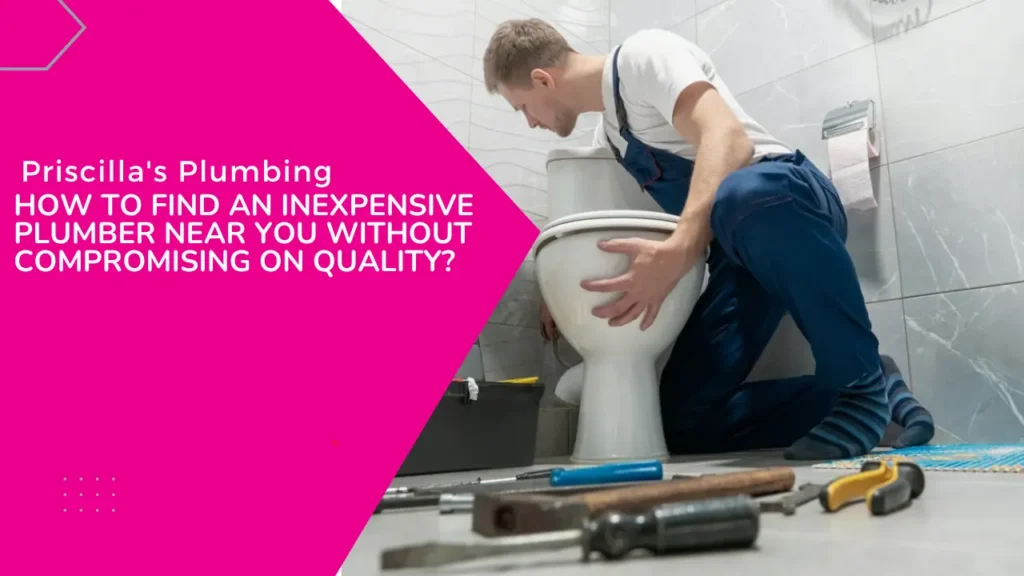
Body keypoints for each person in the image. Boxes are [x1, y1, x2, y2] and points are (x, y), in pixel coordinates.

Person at [483, 19, 934, 460]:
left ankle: (858, 385)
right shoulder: (612, 137)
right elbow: (600, 215)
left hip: (786, 201)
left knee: (742, 195)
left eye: (522, 107)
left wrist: (680, 249)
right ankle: (877, 394)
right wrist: (562, 285)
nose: (530, 122)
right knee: (682, 420)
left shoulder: (644, 56)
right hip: (737, 254)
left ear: (542, 80)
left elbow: (729, 140)